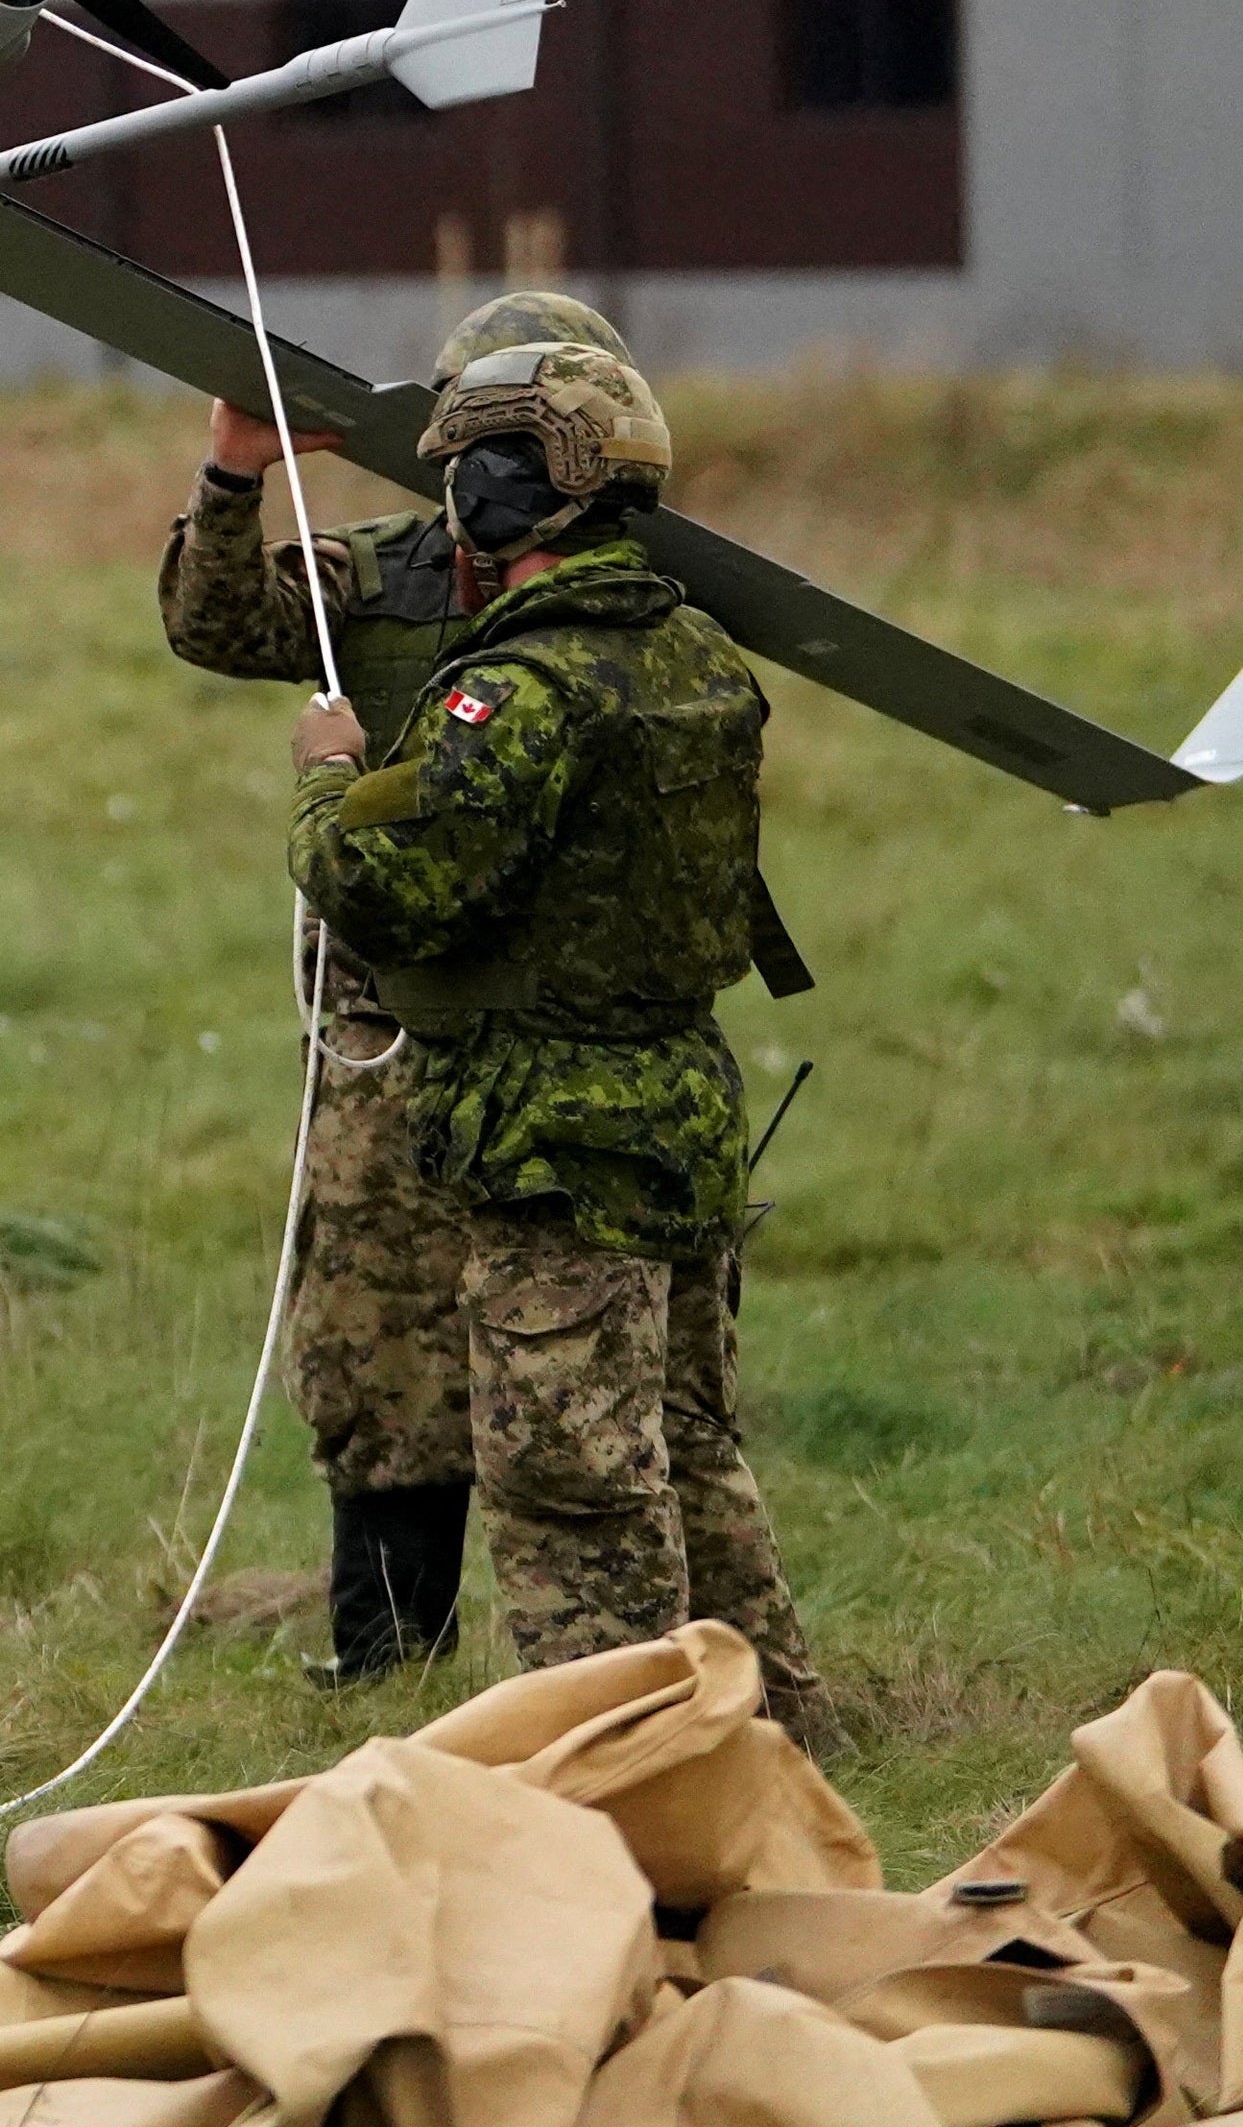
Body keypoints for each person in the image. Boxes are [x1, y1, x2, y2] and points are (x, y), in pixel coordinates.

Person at [280, 336, 824, 1736]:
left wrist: (330, 787)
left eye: (466, 475)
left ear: (502, 498)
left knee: (572, 1484)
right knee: (689, 1451)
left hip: (551, 1133)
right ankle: (782, 1736)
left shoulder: (520, 687)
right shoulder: (696, 652)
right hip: (680, 1109)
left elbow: (389, 884)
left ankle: (623, 1768)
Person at [159, 288, 634, 1683]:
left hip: (571, 1037)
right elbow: (217, 622)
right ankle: (388, 1671)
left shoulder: (629, 601)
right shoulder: (384, 580)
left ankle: (628, 1673)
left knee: (606, 1367)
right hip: (389, 1039)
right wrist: (236, 472)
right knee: (378, 1357)